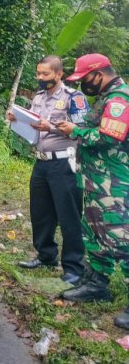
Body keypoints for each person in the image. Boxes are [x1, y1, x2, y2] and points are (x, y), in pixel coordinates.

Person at [54, 54, 129, 329]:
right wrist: (73, 129)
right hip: (96, 182)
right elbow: (92, 127)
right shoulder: (105, 98)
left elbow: (110, 136)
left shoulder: (120, 99)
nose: (83, 84)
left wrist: (77, 131)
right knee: (96, 233)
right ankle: (97, 285)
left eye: (85, 78)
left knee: (123, 239)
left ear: (99, 73)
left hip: (116, 184)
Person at [6, 56, 88, 284]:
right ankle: (46, 255)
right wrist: (16, 121)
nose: (40, 78)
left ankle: (73, 267)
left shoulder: (74, 97)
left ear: (59, 74)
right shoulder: (39, 97)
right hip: (41, 162)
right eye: (38, 74)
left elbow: (82, 130)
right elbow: (33, 127)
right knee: (41, 212)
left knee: (68, 214)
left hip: (64, 163)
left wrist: (49, 126)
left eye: (45, 74)